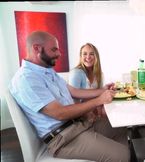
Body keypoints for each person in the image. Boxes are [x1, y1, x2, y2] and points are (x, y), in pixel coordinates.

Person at [8, 31, 130, 162]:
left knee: (119, 126)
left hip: (78, 125)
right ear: (36, 48)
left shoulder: (47, 71)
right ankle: (119, 156)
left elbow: (74, 91)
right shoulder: (26, 79)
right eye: (54, 49)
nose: (59, 54)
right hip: (62, 138)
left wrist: (103, 90)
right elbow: (59, 113)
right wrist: (99, 100)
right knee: (122, 155)